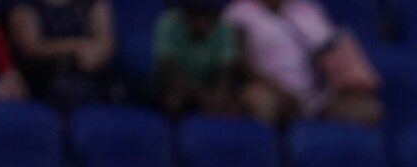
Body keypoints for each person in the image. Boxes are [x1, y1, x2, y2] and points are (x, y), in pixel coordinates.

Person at [224, 0, 379, 125]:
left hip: (318, 96)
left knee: (369, 110)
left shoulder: (307, 9)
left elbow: (332, 52)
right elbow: (240, 64)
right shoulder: (239, 12)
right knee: (259, 100)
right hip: (272, 90)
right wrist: (281, 91)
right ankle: (280, 157)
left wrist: (343, 87)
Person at [7, 0, 119, 106]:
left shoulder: (92, 2)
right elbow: (31, 47)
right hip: (46, 76)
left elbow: (106, 41)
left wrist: (97, 53)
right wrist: (76, 49)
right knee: (64, 88)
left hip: (93, 73)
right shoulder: (24, 4)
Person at [149, 0, 243, 116]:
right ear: (187, 13)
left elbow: (227, 68)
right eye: (197, 14)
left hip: (208, 84)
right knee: (174, 99)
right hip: (173, 84)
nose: (202, 21)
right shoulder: (169, 22)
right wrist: (199, 94)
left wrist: (219, 93)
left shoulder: (224, 26)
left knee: (231, 106)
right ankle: (171, 132)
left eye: (207, 15)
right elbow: (167, 65)